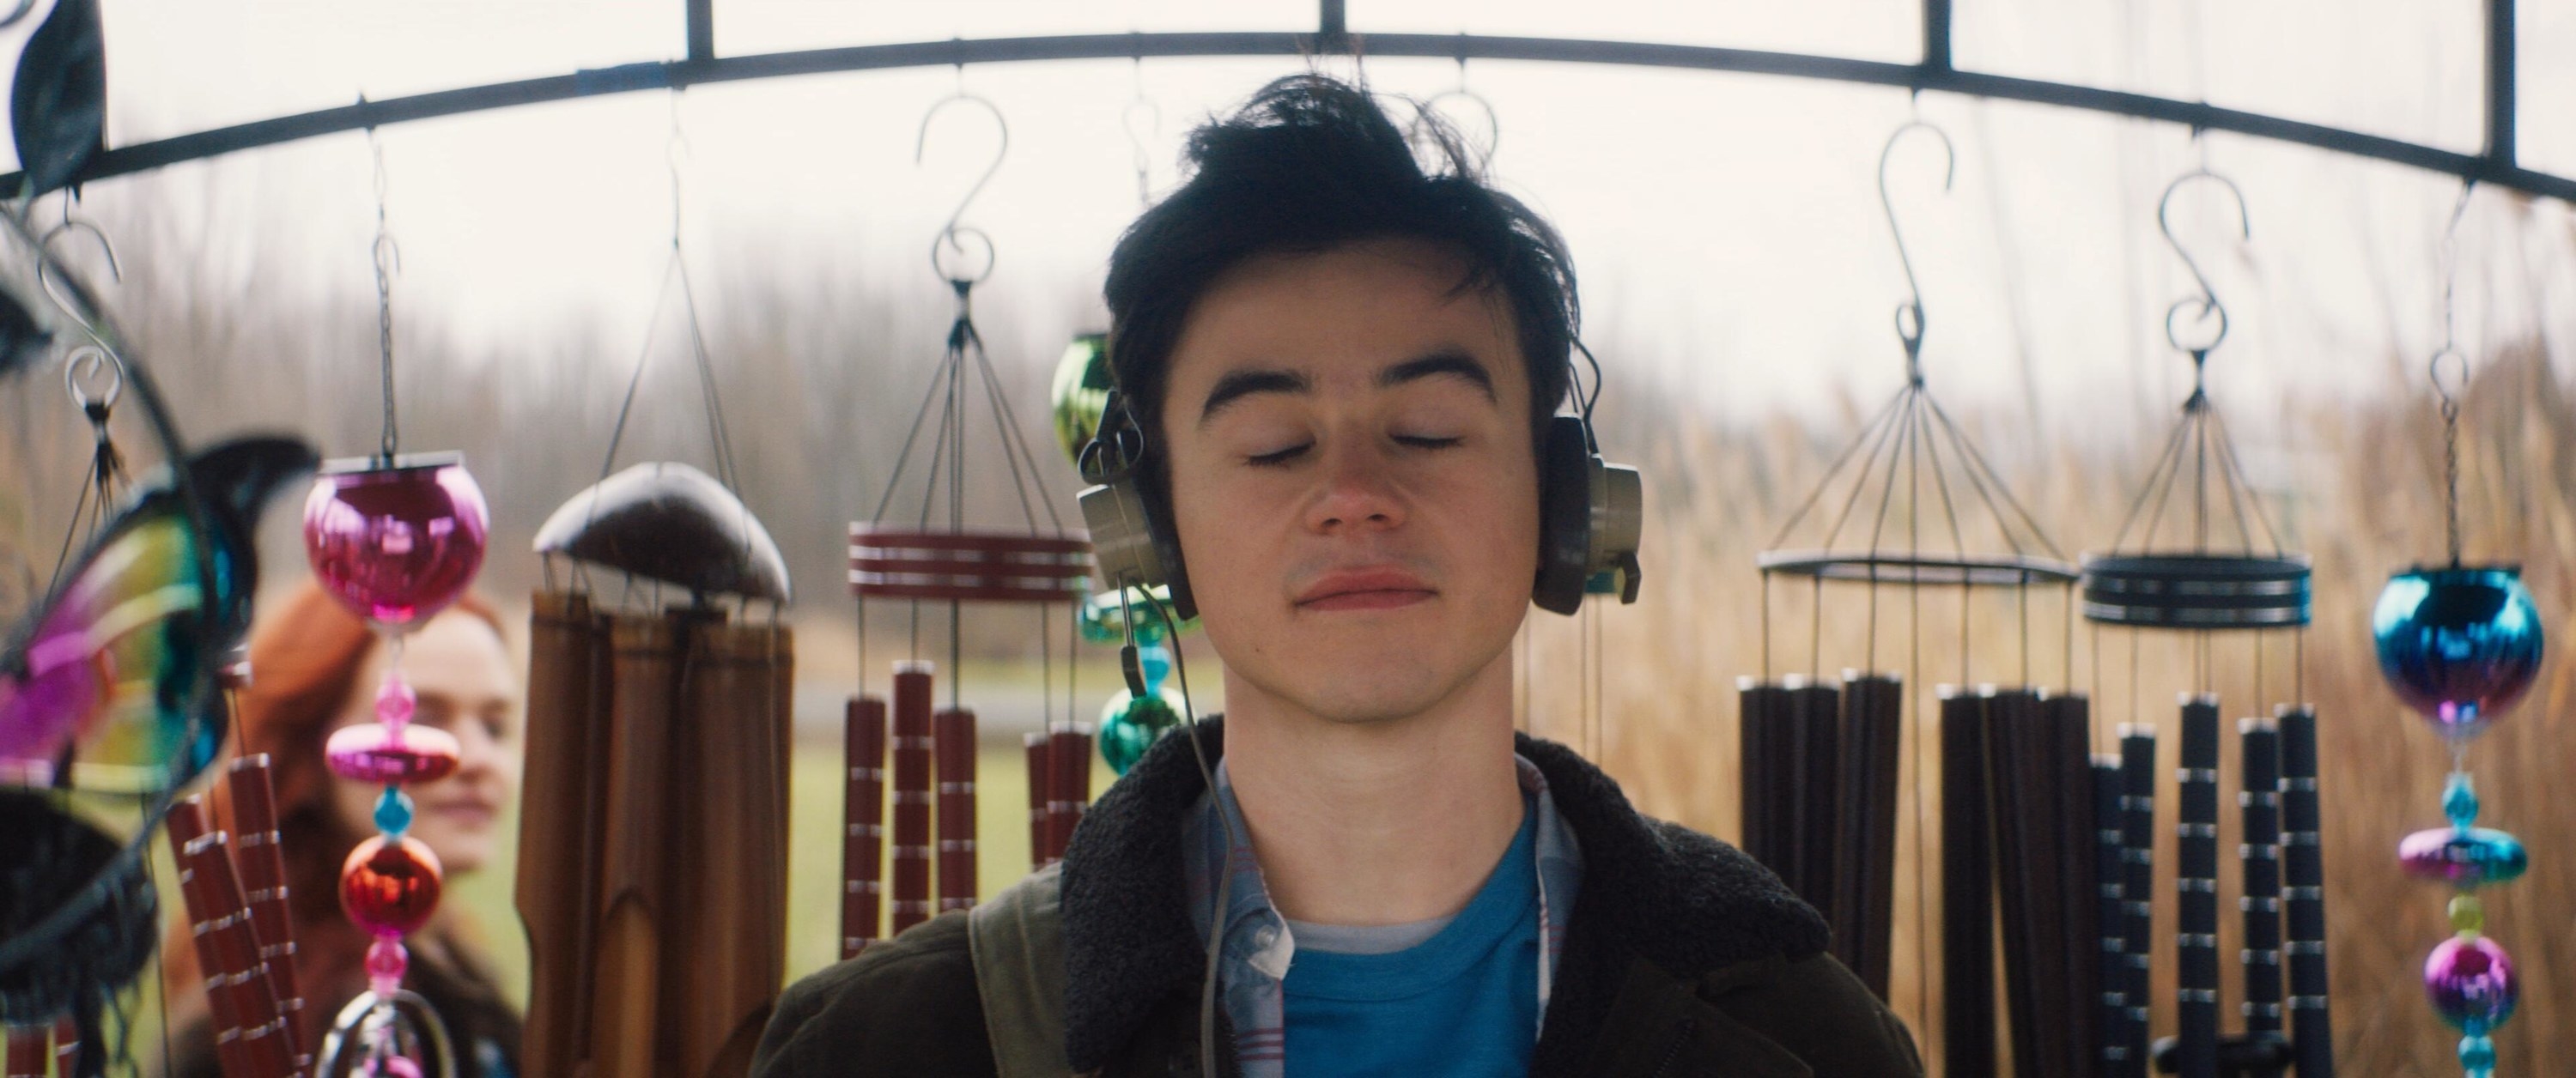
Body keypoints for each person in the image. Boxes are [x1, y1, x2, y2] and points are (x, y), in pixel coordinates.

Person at [755, 73, 1923, 1077]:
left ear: (1565, 505)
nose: (1355, 492)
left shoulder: (1815, 1042)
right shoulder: (885, 1047)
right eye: (1274, 447)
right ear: (1152, 535)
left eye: (1425, 430)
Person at [161, 581, 524, 1078]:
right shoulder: (295, 1018)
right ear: (309, 749)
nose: (476, 759)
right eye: (422, 719)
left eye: (496, 726)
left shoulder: (452, 962)